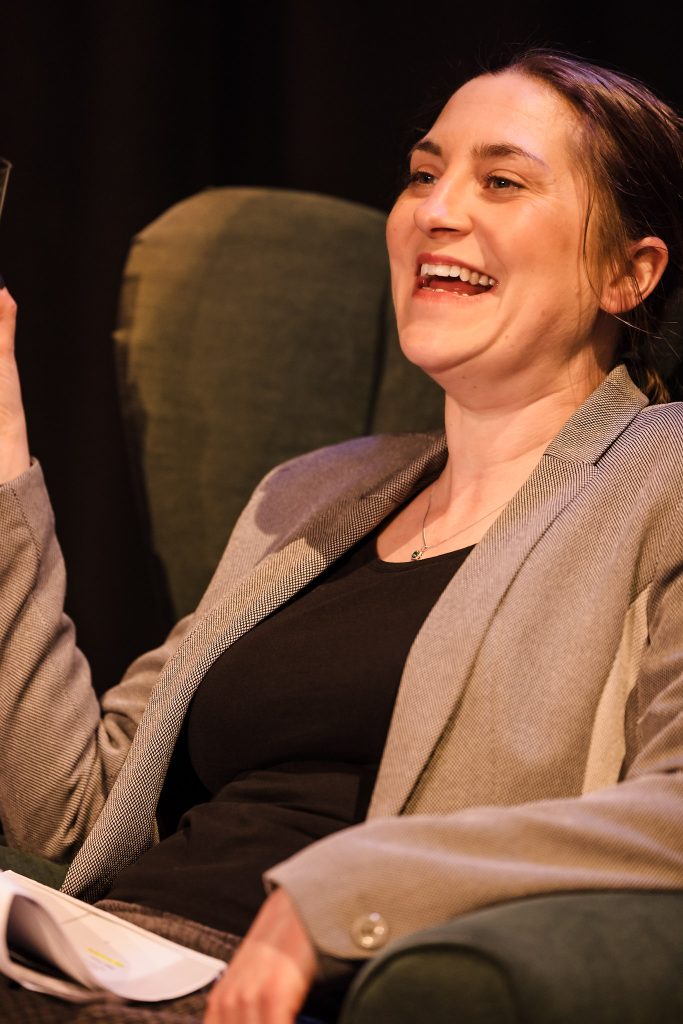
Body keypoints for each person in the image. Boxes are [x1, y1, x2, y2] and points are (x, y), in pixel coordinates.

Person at [1, 47, 683, 1023]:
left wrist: (345, 892)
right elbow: (70, 813)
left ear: (628, 271)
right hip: (95, 958)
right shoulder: (313, 490)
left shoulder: (660, 474)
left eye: (500, 180)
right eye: (422, 173)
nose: (435, 209)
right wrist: (4, 458)